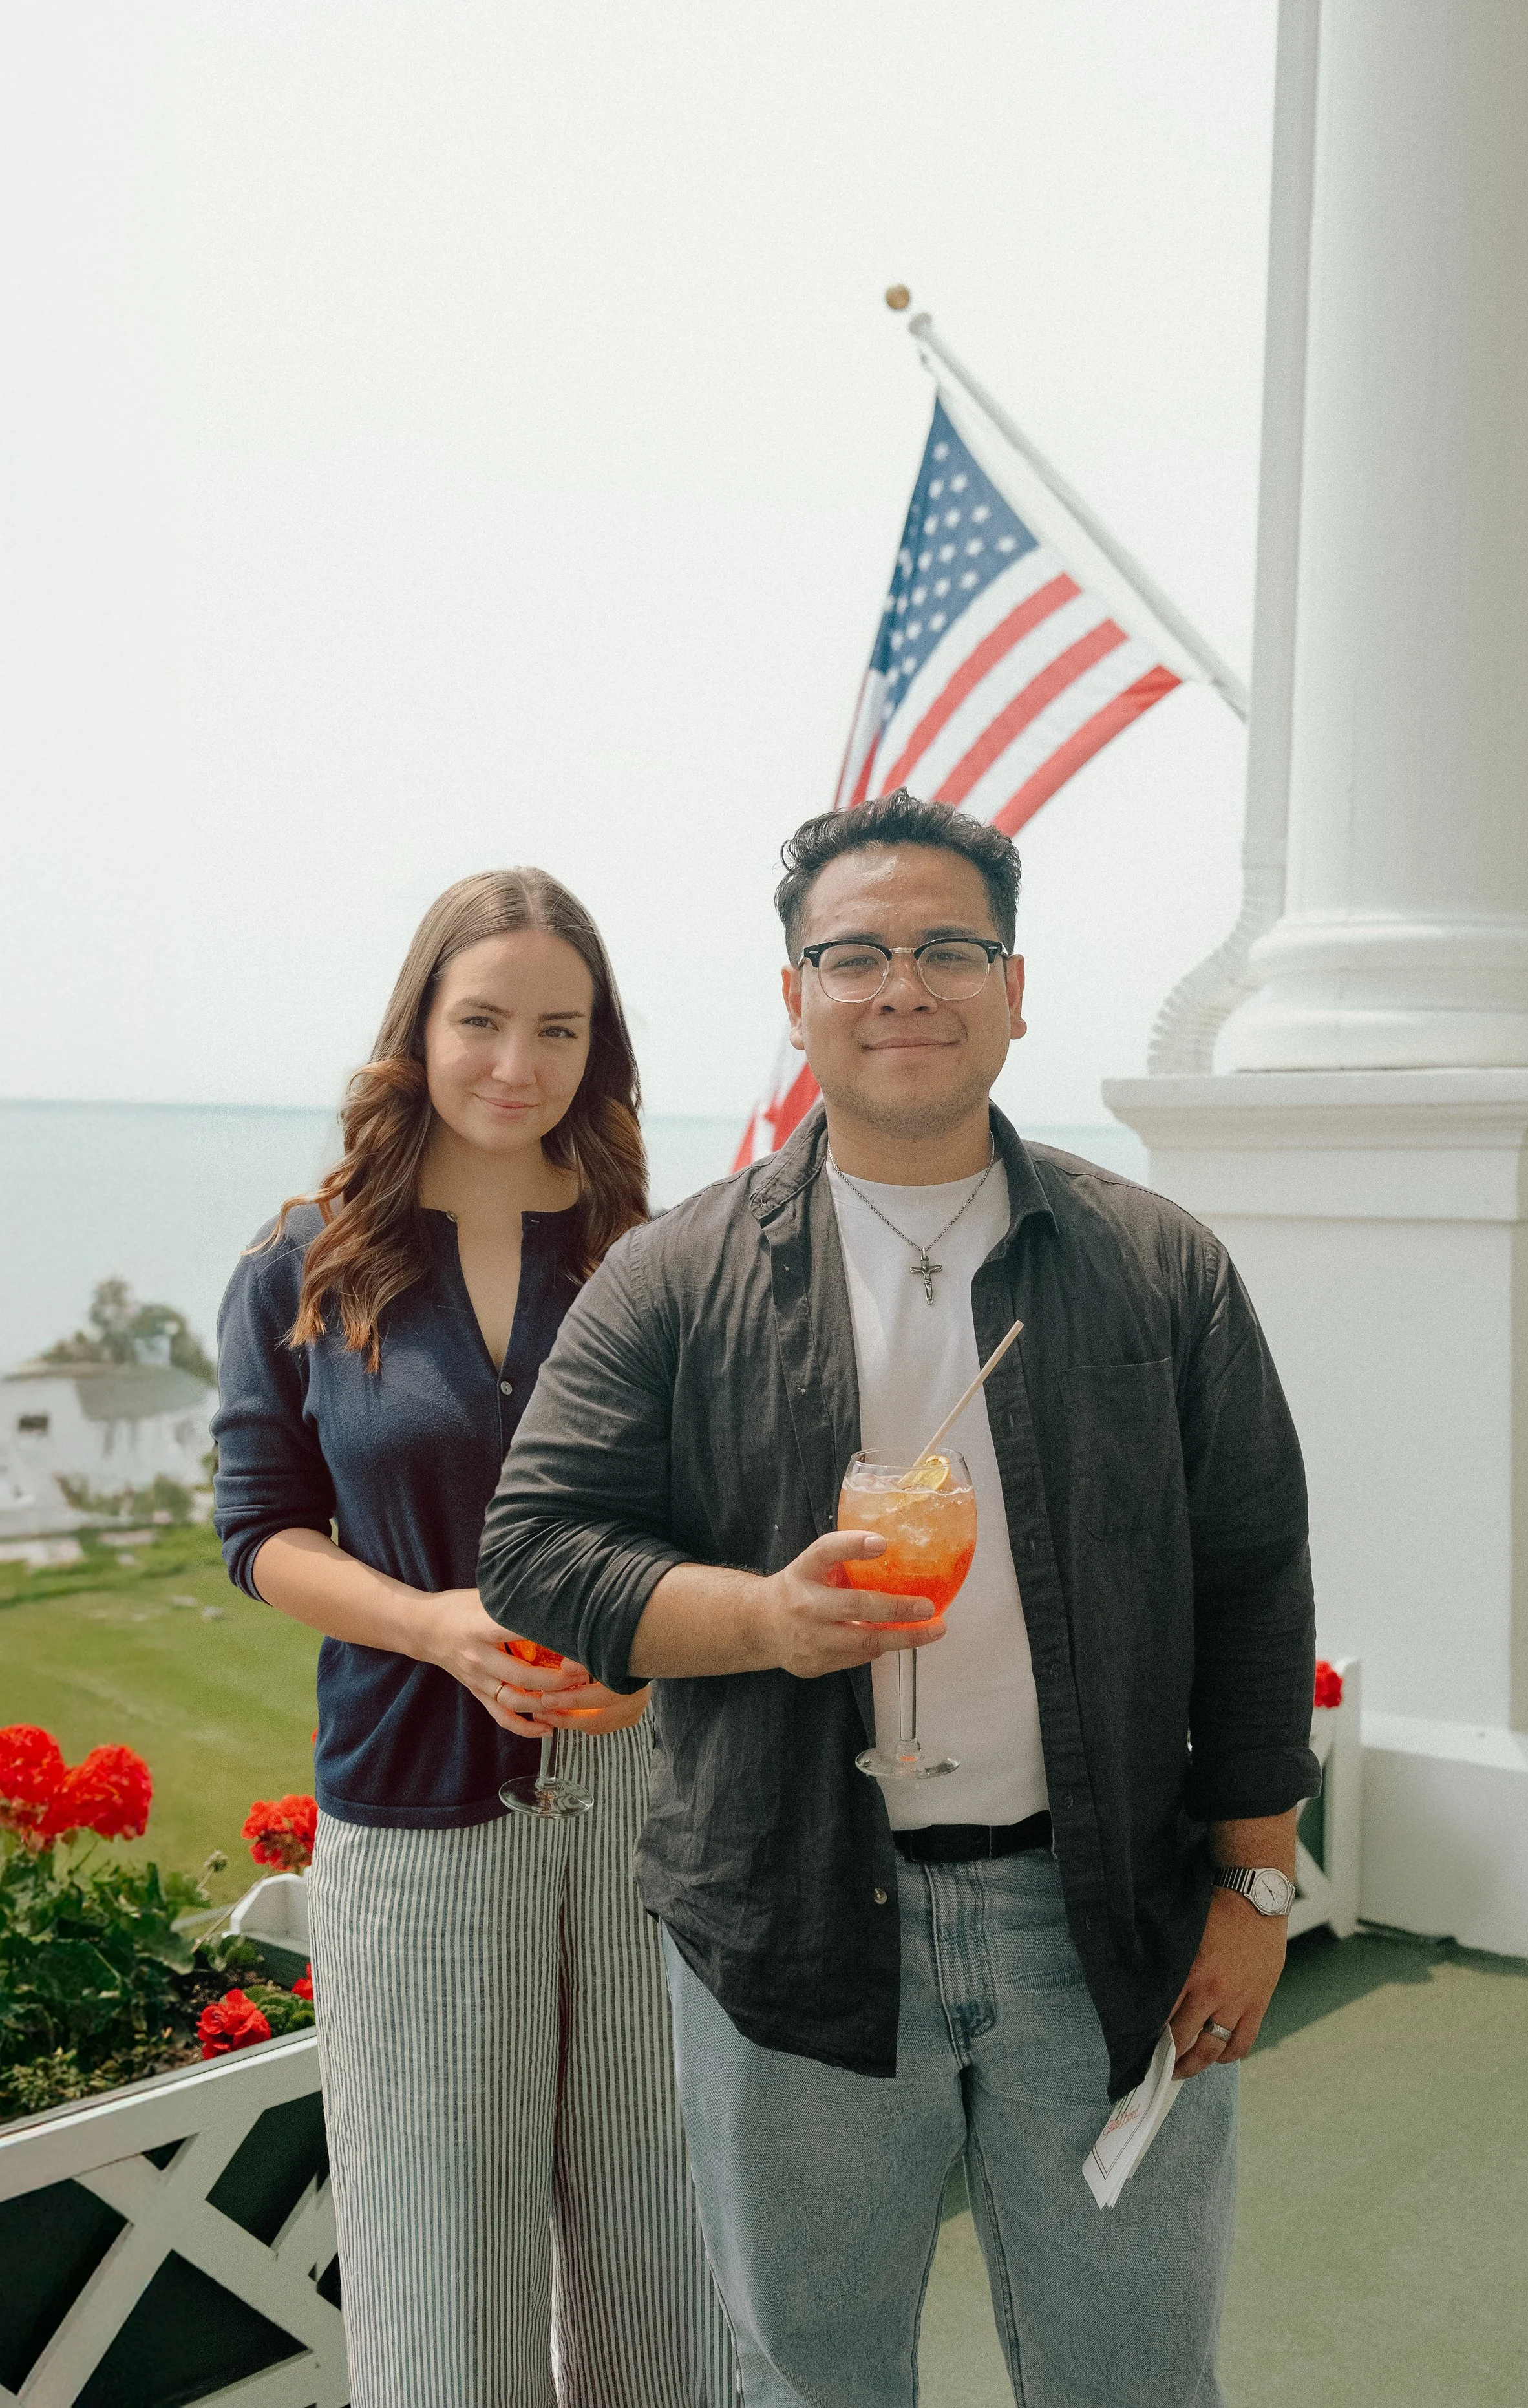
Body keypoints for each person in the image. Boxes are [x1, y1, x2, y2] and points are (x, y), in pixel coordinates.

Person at [478, 794, 1321, 2408]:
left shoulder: (1157, 1266)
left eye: (948, 949)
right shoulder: (675, 1274)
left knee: (1133, 2373)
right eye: (853, 956)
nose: (902, 988)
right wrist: (762, 1621)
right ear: (793, 994)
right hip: (788, 1916)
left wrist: (1255, 1886)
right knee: (812, 2376)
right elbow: (536, 1545)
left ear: (1015, 988)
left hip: (1104, 1920)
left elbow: (1251, 1581)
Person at [211, 869, 734, 2408]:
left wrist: (644, 1658)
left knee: (670, 2265)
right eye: (482, 1021)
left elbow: (717, 1515)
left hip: (646, 1825)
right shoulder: (304, 1259)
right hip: (412, 1820)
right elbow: (260, 1531)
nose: (518, 1063)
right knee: (440, 2279)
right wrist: (431, 1626)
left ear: (599, 1048)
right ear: (420, 1027)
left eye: (558, 1030)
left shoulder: (657, 1258)